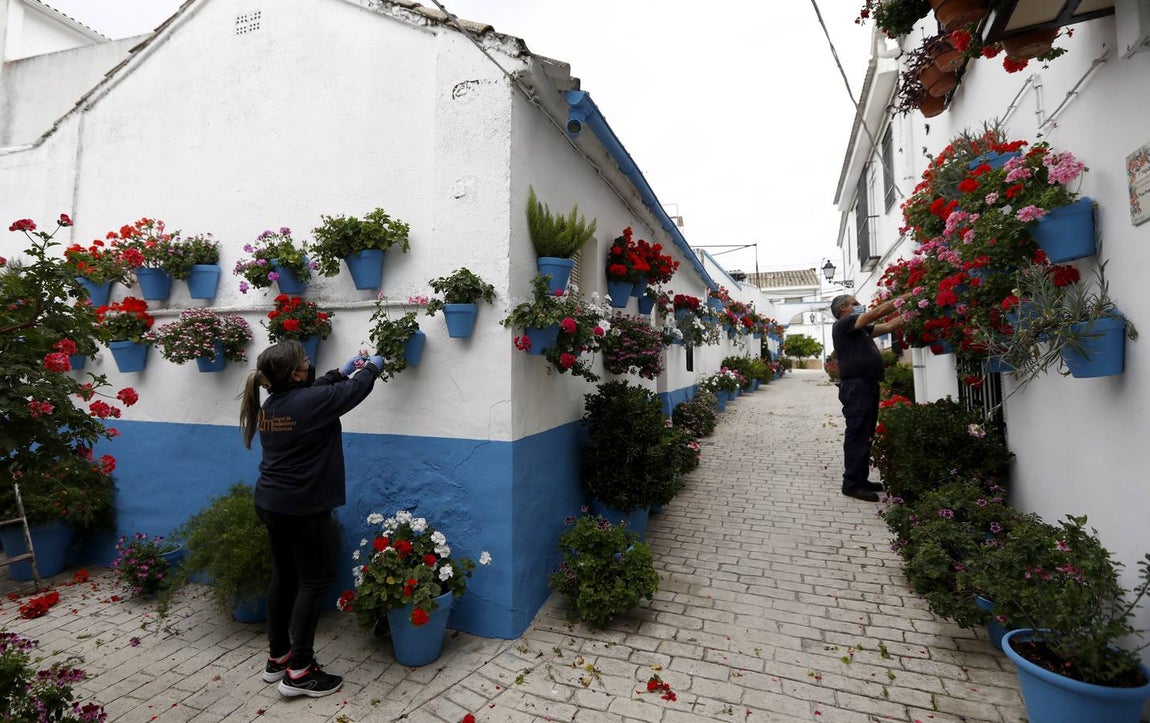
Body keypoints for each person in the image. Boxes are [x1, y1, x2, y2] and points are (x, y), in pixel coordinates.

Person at [239, 340, 382, 698]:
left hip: (272, 503)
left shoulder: (275, 403)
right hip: (302, 507)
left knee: (284, 576)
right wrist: (372, 368)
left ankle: (278, 656)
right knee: (313, 581)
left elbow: (318, 391)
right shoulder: (306, 403)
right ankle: (300, 671)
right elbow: (351, 393)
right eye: (305, 361)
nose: (310, 363)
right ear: (294, 373)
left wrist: (342, 370)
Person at [829, 294, 905, 502]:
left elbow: (888, 326)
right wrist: (907, 297)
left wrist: (913, 312)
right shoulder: (843, 324)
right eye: (854, 304)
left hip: (866, 385)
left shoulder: (860, 330)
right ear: (843, 309)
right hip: (856, 387)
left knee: (865, 434)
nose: (859, 306)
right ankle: (851, 484)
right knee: (857, 433)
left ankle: (860, 479)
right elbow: (877, 313)